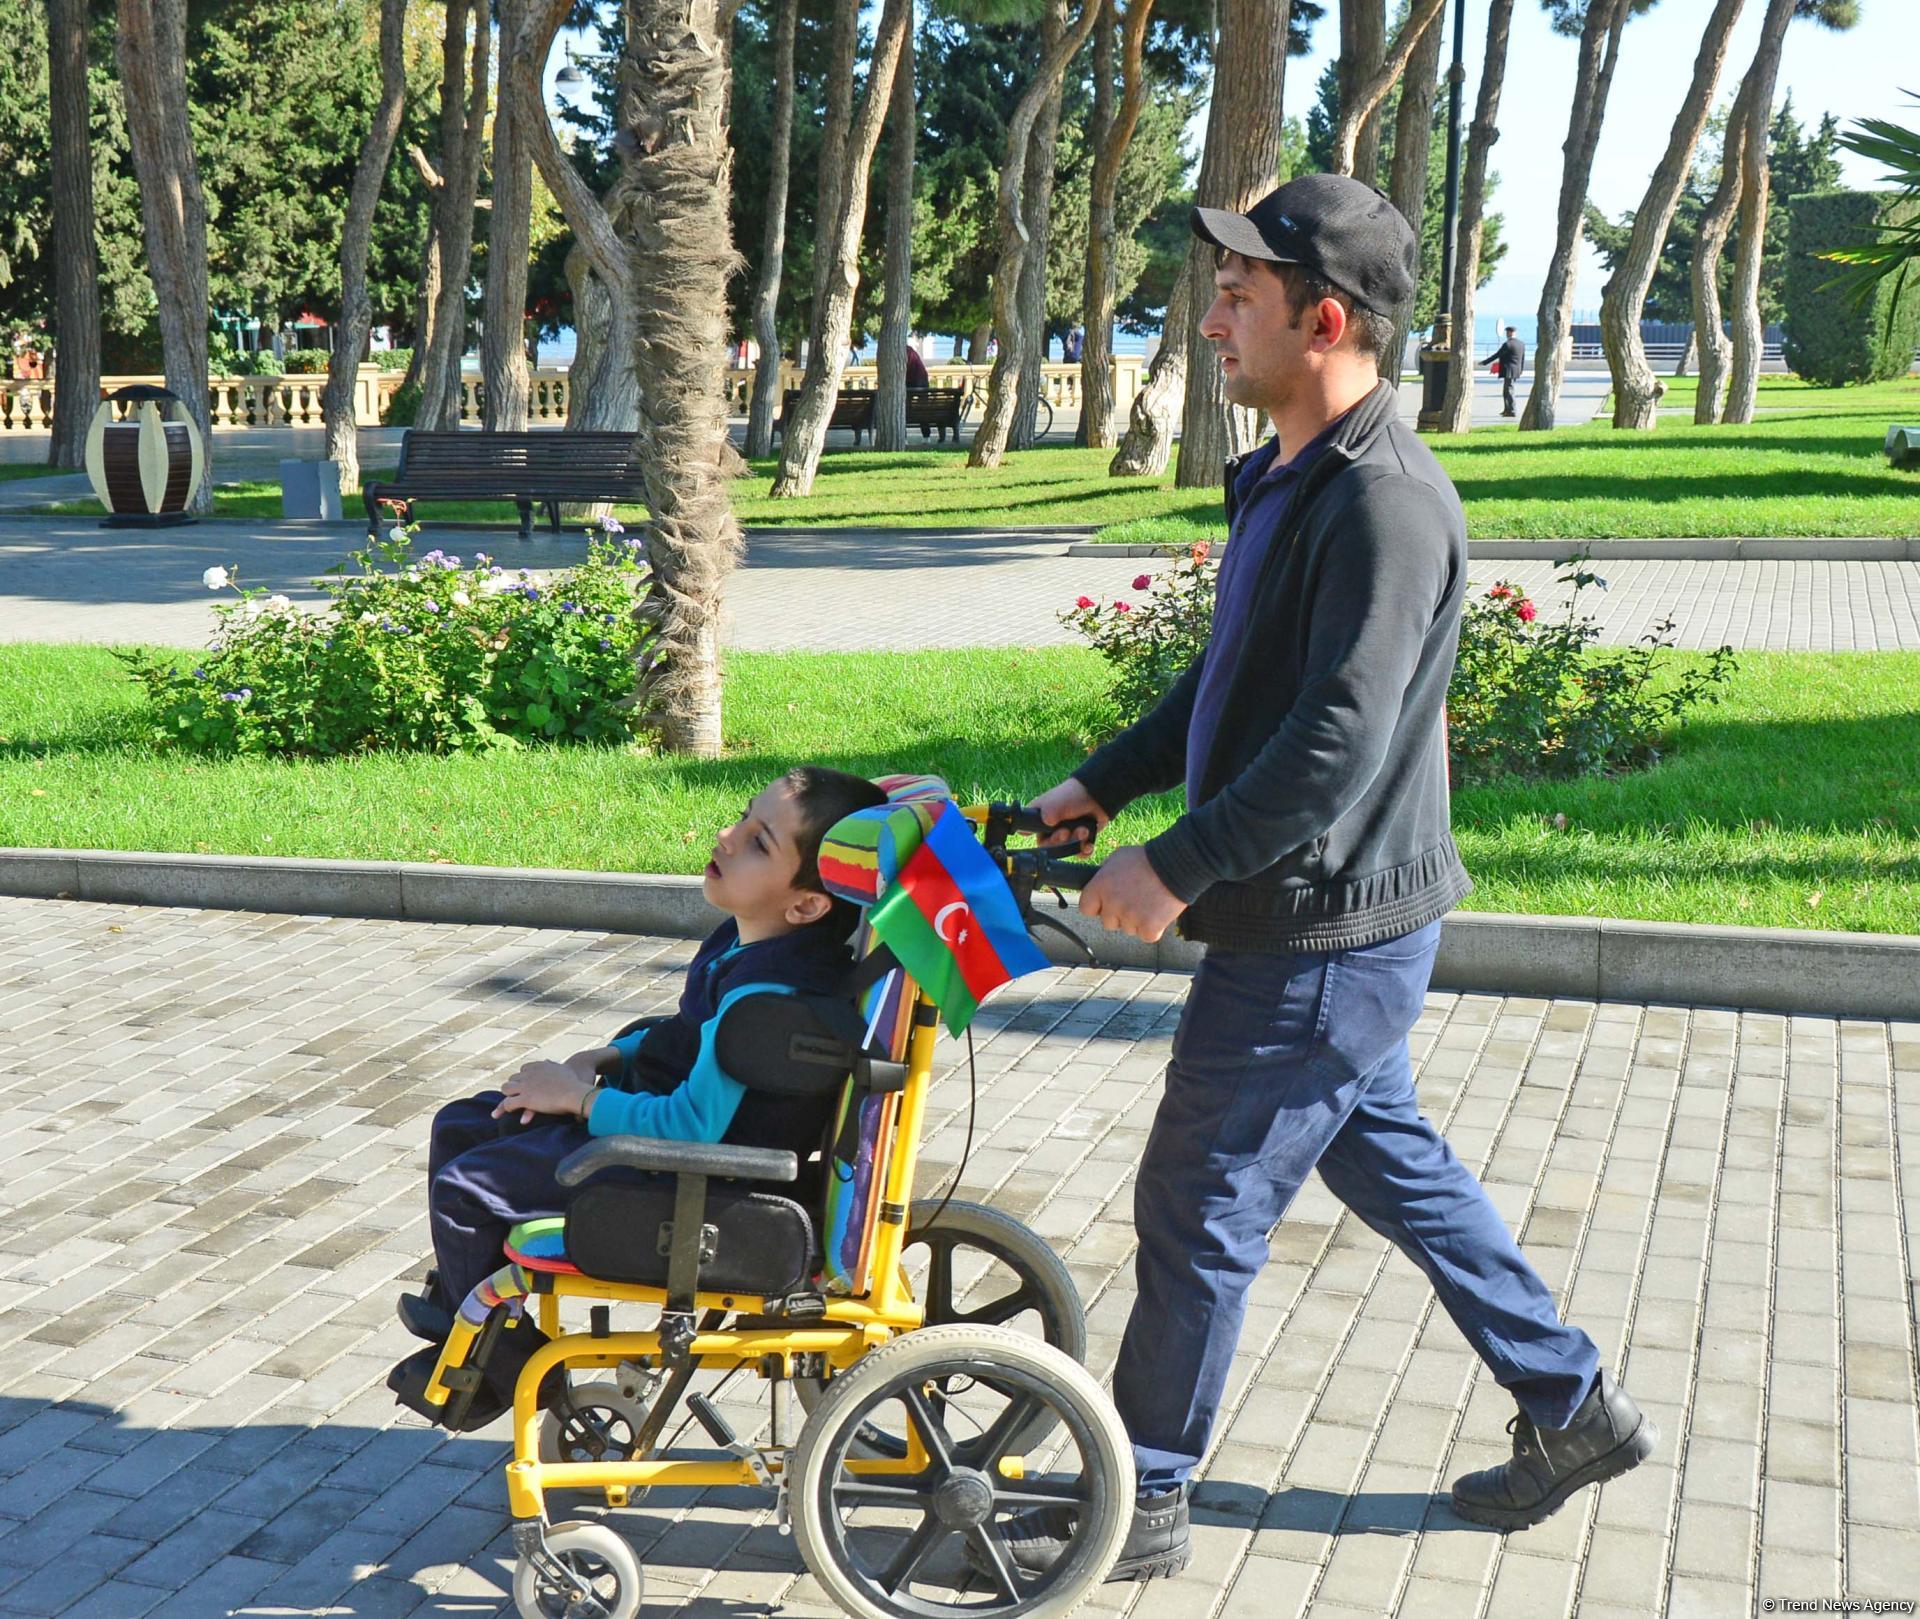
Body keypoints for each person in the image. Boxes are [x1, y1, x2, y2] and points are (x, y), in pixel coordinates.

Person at [996, 174, 1654, 1580]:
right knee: (1392, 1162)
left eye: (1242, 294)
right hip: (1330, 927)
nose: (1214, 314)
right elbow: (1233, 679)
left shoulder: (1385, 504)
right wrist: (1106, 782)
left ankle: (1147, 1488)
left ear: (1328, 317)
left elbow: (1335, 742)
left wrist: (1173, 863)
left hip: (1318, 935)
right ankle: (1572, 1403)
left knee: (1200, 1195)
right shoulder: (1299, 475)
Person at [388, 766, 888, 1428]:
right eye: (742, 815)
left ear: (804, 904)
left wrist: (579, 1101)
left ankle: (500, 1357)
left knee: (465, 1186)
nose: (727, 834)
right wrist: (612, 1056)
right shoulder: (744, 945)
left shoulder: (768, 1002)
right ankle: (465, 1302)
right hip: (656, 1137)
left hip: (686, 1177)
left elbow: (691, 1125)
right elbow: (688, 1037)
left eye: (759, 841)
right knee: (462, 1124)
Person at [1481, 324, 1527, 416]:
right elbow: (1522, 358)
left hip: (1508, 370)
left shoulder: (1507, 344)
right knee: (1506, 391)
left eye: (1507, 332)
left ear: (1509, 333)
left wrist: (1485, 362)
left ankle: (1512, 410)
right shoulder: (1521, 344)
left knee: (1509, 390)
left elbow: (1497, 355)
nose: (1506, 334)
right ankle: (1507, 410)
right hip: (1516, 370)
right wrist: (1521, 369)